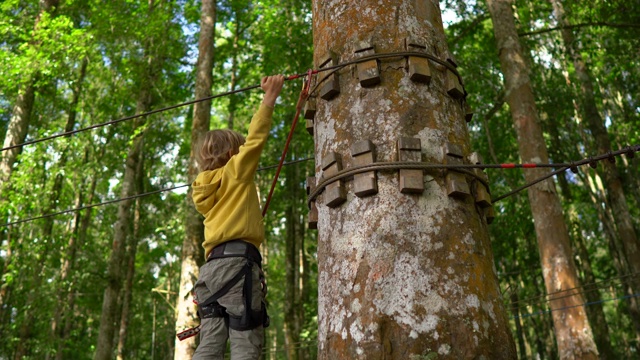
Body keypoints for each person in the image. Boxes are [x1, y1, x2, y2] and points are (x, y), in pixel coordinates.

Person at [191, 75, 284, 359]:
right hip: (237, 266)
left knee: (209, 344)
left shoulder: (203, 185)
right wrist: (269, 98)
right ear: (232, 154)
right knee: (245, 340)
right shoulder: (234, 170)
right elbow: (255, 140)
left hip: (210, 271)